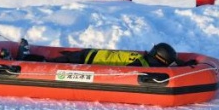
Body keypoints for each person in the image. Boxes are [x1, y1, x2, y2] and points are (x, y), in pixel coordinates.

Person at [10, 41, 181, 67]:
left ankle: (23, 59)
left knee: (52, 63)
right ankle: (23, 59)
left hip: (90, 58)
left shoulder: (146, 62)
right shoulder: (148, 63)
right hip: (90, 58)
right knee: (55, 61)